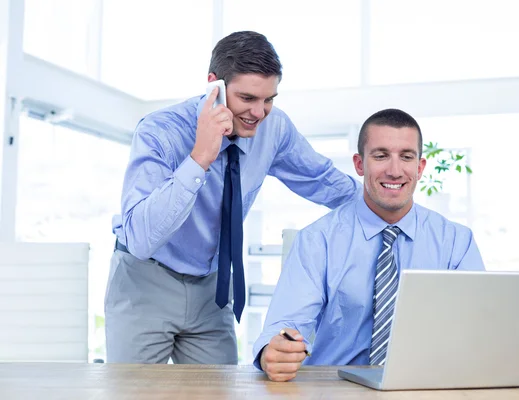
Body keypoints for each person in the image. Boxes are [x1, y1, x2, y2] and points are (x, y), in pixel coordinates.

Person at [105, 31, 360, 365]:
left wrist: (389, 205)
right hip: (145, 282)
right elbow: (140, 238)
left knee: (222, 392)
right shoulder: (160, 131)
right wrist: (200, 158)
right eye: (247, 98)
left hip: (212, 291)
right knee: (134, 393)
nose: (259, 112)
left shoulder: (274, 129)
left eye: (269, 99)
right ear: (215, 85)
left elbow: (323, 181)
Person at [253, 108, 519, 385]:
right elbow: (286, 324)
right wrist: (275, 350)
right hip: (336, 388)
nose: (395, 170)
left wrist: (517, 357)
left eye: (407, 156)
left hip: (430, 387)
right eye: (381, 155)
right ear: (359, 164)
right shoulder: (317, 240)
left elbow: (480, 326)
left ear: (420, 166)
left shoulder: (455, 241)